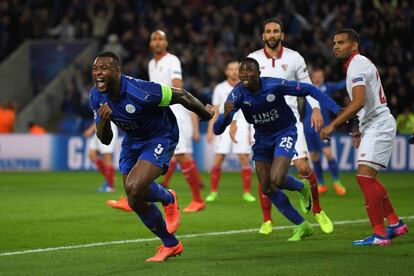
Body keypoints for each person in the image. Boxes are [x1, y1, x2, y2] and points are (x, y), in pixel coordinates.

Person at [89, 51, 214, 261]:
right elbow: (105, 139)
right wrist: (102, 121)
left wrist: (205, 115)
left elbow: (181, 95)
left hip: (161, 136)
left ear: (117, 72)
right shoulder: (96, 95)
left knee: (134, 187)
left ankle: (167, 197)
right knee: (134, 199)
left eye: (104, 68)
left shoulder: (142, 91)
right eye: (95, 69)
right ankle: (171, 244)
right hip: (133, 139)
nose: (98, 73)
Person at [216, 58, 343, 241]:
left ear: (258, 73)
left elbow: (310, 89)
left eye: (249, 70)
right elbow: (217, 129)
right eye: (241, 70)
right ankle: (302, 225)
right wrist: (226, 115)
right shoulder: (236, 95)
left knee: (277, 179)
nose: (244, 74)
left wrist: (337, 111)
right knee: (267, 187)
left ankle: (301, 186)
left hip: (285, 132)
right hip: (262, 139)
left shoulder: (274, 85)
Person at [242, 17, 333, 235]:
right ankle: (267, 219)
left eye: (276, 31)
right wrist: (237, 122)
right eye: (268, 31)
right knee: (264, 174)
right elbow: (242, 92)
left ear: (282, 35)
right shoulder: (253, 60)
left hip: (289, 123)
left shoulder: (294, 58)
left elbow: (308, 85)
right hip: (263, 126)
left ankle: (318, 210)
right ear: (263, 35)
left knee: (302, 167)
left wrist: (317, 108)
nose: (272, 35)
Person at [320, 28, 408, 246]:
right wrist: (357, 128)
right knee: (368, 178)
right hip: (373, 124)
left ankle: (379, 235)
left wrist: (333, 125)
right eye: (334, 43)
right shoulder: (355, 65)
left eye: (341, 42)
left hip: (379, 124)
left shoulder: (357, 64)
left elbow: (358, 101)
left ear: (354, 45)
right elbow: (364, 102)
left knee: (364, 177)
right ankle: (395, 224)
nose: (337, 46)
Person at [148, 30, 205, 213]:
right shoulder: (151, 63)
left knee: (182, 155)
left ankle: (197, 200)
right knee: (172, 156)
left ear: (166, 43)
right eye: (154, 39)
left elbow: (177, 86)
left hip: (177, 114)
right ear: (150, 43)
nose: (157, 42)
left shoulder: (172, 60)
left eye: (161, 39)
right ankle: (158, 191)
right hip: (163, 114)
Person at [206, 60, 256, 203]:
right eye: (231, 69)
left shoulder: (248, 87)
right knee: (219, 158)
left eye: (236, 69)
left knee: (244, 158)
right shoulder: (220, 88)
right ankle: (213, 192)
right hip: (225, 124)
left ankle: (246, 192)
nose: (234, 71)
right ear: (226, 72)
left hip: (243, 124)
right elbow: (215, 111)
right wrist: (211, 130)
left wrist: (251, 131)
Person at [304, 68, 346, 195]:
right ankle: (321, 184)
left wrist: (353, 75)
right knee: (314, 157)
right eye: (315, 76)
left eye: (320, 76)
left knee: (328, 154)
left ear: (323, 77)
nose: (317, 78)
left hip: (323, 127)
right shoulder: (306, 88)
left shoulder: (327, 88)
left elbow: (340, 85)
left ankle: (336, 181)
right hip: (308, 128)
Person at [83, 122, 118, 193]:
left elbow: (104, 114)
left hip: (107, 128)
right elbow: (97, 114)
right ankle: (110, 177)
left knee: (107, 158)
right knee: (91, 154)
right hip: (98, 128)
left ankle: (110, 187)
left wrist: (90, 129)